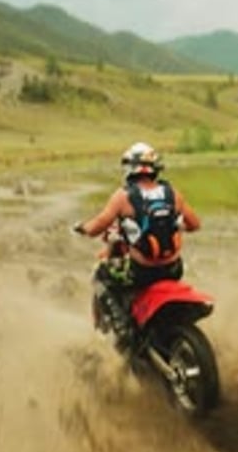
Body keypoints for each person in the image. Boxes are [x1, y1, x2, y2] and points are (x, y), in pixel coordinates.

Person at [73, 141, 200, 344]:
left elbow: (97, 226)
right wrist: (174, 227)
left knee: (100, 275)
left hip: (141, 272)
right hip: (173, 269)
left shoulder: (123, 197)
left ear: (130, 168)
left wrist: (83, 228)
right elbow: (194, 224)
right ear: (155, 168)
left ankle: (122, 326)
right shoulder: (173, 194)